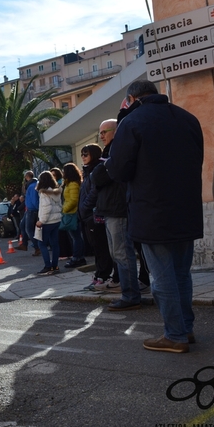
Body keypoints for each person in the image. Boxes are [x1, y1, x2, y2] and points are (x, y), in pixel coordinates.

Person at [106, 80, 204, 353]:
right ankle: (185, 328)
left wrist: (123, 121)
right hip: (187, 208)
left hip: (152, 210)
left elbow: (119, 170)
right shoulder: (188, 118)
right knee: (182, 274)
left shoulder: (132, 122)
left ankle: (174, 335)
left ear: (131, 98)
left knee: (162, 277)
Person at [91, 120, 141, 311]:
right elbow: (97, 177)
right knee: (117, 253)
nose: (102, 136)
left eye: (105, 132)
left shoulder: (118, 150)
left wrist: (99, 171)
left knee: (122, 253)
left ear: (116, 131)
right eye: (100, 132)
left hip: (118, 208)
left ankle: (130, 295)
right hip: (110, 209)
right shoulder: (108, 152)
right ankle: (128, 293)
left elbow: (100, 176)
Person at [78, 144, 114, 290]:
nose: (83, 157)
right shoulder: (87, 172)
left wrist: (85, 206)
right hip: (87, 216)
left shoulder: (97, 170)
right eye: (82, 154)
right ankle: (99, 275)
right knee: (96, 248)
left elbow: (94, 192)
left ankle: (103, 276)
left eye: (85, 154)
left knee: (102, 248)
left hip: (95, 215)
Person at [34, 171, 63, 274]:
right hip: (56, 220)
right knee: (55, 244)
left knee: (41, 243)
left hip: (47, 221)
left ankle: (48, 266)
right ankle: (55, 266)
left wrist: (41, 221)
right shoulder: (56, 191)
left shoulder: (44, 192)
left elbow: (47, 208)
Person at [62, 163, 86, 268]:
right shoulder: (69, 183)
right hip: (71, 212)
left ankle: (77, 258)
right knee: (75, 237)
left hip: (72, 213)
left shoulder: (72, 184)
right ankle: (78, 257)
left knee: (76, 237)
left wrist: (64, 209)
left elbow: (73, 200)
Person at [19, 171, 41, 255]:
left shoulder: (32, 186)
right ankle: (24, 244)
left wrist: (37, 209)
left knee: (29, 229)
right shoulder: (33, 185)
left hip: (31, 210)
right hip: (29, 209)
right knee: (22, 225)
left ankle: (37, 247)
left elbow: (34, 199)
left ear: (26, 177)